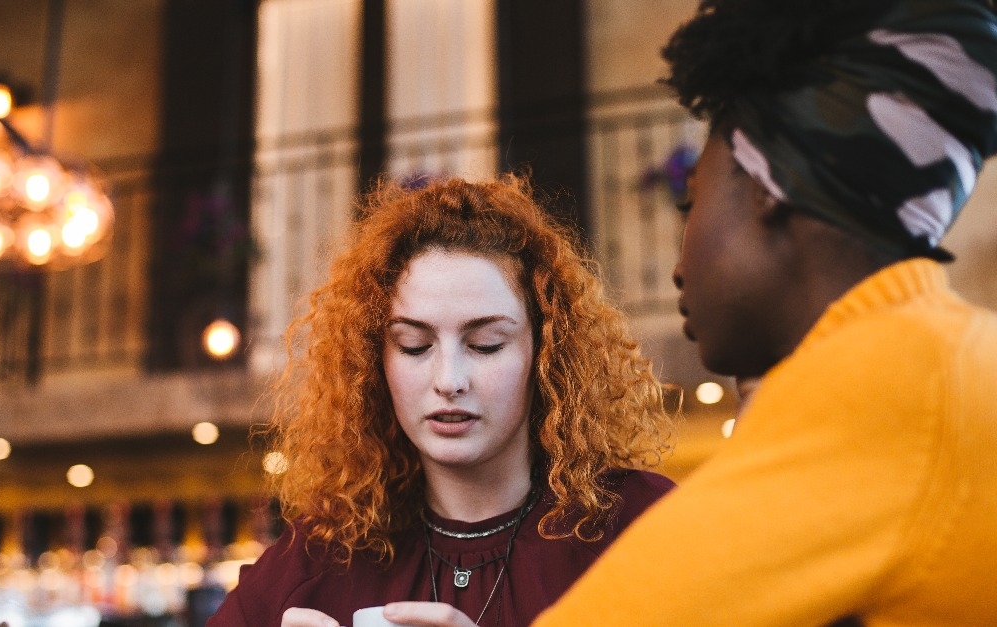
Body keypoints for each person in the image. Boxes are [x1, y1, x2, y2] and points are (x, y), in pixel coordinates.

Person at [534, 0, 997, 625]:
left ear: (769, 188)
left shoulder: (893, 383)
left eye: (692, 200)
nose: (678, 264)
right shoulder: (941, 358)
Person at [208, 176, 675, 626]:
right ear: (375, 361)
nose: (449, 380)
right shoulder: (314, 560)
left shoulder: (642, 530)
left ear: (546, 353)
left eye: (486, 344)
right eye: (414, 346)